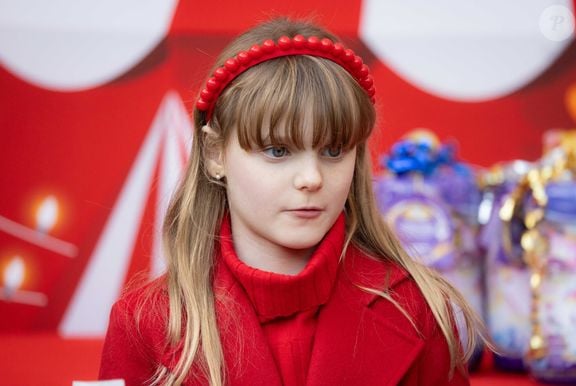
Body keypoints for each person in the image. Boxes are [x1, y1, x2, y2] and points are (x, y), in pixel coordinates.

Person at [99, 16, 485, 386]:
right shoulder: (144, 324)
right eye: (278, 151)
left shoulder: (419, 307)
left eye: (333, 150)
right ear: (216, 154)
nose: (312, 179)